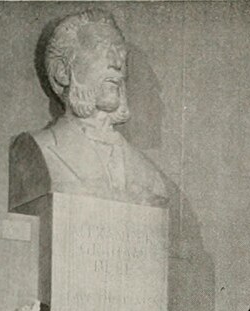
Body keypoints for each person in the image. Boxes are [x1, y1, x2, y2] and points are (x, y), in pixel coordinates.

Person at [9, 9, 167, 209]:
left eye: (120, 53)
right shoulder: (36, 150)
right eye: (100, 50)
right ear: (63, 72)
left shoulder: (148, 174)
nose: (117, 63)